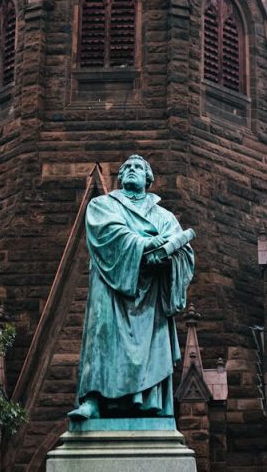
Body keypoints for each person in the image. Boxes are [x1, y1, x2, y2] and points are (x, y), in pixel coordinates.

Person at [67, 155, 195, 421]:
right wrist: (148, 245)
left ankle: (148, 402)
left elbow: (185, 253)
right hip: (111, 289)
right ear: (121, 177)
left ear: (148, 179)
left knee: (150, 344)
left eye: (140, 168)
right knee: (100, 337)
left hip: (150, 297)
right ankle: (93, 400)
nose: (133, 171)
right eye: (129, 168)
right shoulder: (102, 205)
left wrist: (169, 255)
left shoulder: (164, 216)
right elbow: (108, 234)